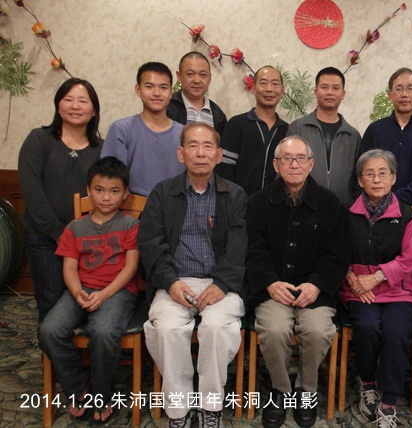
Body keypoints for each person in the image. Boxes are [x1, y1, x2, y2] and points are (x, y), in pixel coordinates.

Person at [140, 123, 247, 428]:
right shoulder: (162, 193)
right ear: (181, 153)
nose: (201, 153)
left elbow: (239, 245)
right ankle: (179, 411)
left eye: (208, 146)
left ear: (219, 155)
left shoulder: (235, 195)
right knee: (167, 329)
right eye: (193, 146)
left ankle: (210, 408)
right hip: (175, 281)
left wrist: (222, 284)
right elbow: (151, 243)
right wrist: (170, 283)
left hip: (220, 283)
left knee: (216, 328)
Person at [245, 136, 349, 428]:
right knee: (274, 329)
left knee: (317, 330)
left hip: (315, 291)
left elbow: (338, 253)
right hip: (272, 290)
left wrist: (317, 285)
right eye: (287, 159)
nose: (294, 164)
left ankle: (306, 390)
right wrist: (270, 283)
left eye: (301, 158)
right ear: (275, 165)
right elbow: (253, 249)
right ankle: (281, 390)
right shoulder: (257, 202)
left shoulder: (331, 203)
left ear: (311, 164)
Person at [39, 156, 139, 423]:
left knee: (103, 331)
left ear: (125, 193)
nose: (106, 197)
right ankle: (79, 387)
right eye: (99, 190)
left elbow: (131, 267)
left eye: (114, 191)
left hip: (117, 291)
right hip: (81, 289)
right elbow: (70, 267)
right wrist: (76, 292)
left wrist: (104, 294)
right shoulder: (75, 228)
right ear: (88, 190)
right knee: (49, 330)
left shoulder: (130, 225)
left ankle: (103, 394)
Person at [339, 149, 412, 427]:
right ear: (360, 180)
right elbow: (336, 252)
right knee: (367, 326)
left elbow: (410, 259)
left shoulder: (407, 215)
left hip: (397, 289)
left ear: (393, 178)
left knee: (397, 330)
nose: (376, 179)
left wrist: (377, 278)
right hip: (357, 288)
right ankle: (368, 383)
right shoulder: (346, 212)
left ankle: (389, 401)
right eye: (369, 174)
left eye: (382, 173)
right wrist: (352, 279)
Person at [18, 77, 103, 322]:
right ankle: (52, 347)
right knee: (51, 301)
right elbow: (32, 190)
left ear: (93, 110)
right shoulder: (39, 139)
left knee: (86, 303)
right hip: (45, 238)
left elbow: (104, 194)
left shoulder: (101, 149)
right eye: (68, 100)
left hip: (87, 241)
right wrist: (60, 233)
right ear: (58, 106)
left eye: (82, 101)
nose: (75, 106)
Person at [101, 62, 184, 197]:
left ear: (171, 92)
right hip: (131, 206)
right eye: (149, 86)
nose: (157, 93)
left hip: (175, 205)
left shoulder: (184, 134)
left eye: (163, 87)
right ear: (138, 90)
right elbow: (111, 181)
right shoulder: (121, 129)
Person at [361, 67, 412, 208]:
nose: (404, 94)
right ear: (390, 95)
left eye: (410, 88)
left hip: (409, 208)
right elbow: (363, 170)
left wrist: (393, 200)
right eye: (398, 89)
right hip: (373, 206)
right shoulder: (375, 130)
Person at [287, 66, 361, 206]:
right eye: (324, 87)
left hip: (341, 210)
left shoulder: (353, 135)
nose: (329, 92)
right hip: (301, 208)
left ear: (343, 94)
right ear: (316, 92)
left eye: (335, 88)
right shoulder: (298, 128)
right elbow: (285, 170)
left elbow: (358, 180)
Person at [218, 65, 288, 196]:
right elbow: (224, 170)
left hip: (275, 205)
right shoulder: (236, 124)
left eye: (275, 84)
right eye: (263, 83)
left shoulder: (287, 131)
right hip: (239, 204)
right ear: (254, 88)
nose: (269, 89)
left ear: (282, 90)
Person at [167, 51, 227, 134]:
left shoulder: (218, 116)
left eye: (202, 75)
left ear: (210, 78)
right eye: (190, 74)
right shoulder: (167, 107)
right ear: (179, 76)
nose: (197, 81)